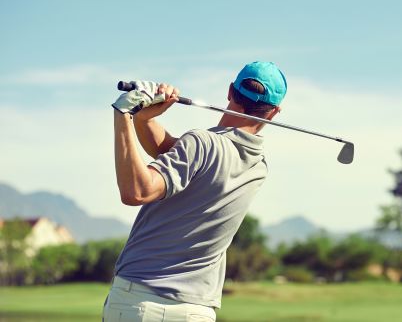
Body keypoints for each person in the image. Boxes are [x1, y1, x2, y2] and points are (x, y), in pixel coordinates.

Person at [104, 61, 287, 322]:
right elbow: (171, 152)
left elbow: (137, 191)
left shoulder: (202, 143)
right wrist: (144, 118)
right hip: (197, 312)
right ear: (274, 112)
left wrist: (123, 113)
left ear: (229, 91)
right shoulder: (258, 167)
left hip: (141, 302)